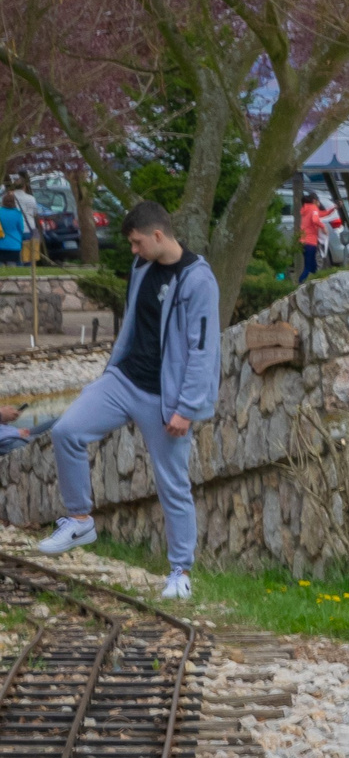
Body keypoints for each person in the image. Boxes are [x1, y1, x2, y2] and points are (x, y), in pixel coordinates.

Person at [33, 200, 220, 601]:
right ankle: (80, 519)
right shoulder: (142, 266)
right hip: (123, 379)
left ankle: (180, 573)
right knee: (66, 430)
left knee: (172, 485)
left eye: (137, 243)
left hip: (164, 399)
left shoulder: (197, 280)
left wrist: (187, 408)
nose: (133, 251)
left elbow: (203, 349)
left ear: (157, 235)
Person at [296, 188, 327, 282]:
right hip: (310, 242)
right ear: (315, 201)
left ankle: (313, 283)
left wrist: (335, 207)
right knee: (309, 267)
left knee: (313, 267)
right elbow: (315, 220)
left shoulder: (307, 209)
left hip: (302, 241)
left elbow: (323, 213)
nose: (319, 204)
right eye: (318, 202)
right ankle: (299, 284)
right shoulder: (313, 208)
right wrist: (323, 227)